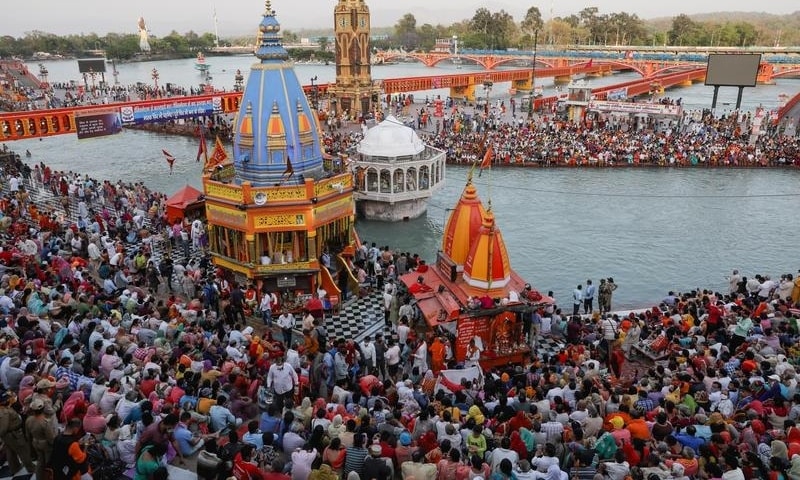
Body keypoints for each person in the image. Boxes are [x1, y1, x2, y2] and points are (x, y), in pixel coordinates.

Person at [0, 390, 35, 476]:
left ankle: (15, 468)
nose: (8, 400)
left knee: (10, 452)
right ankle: (31, 468)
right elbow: (3, 427)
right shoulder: (4, 412)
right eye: (6, 399)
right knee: (23, 450)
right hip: (13, 434)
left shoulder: (4, 408)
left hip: (9, 435)